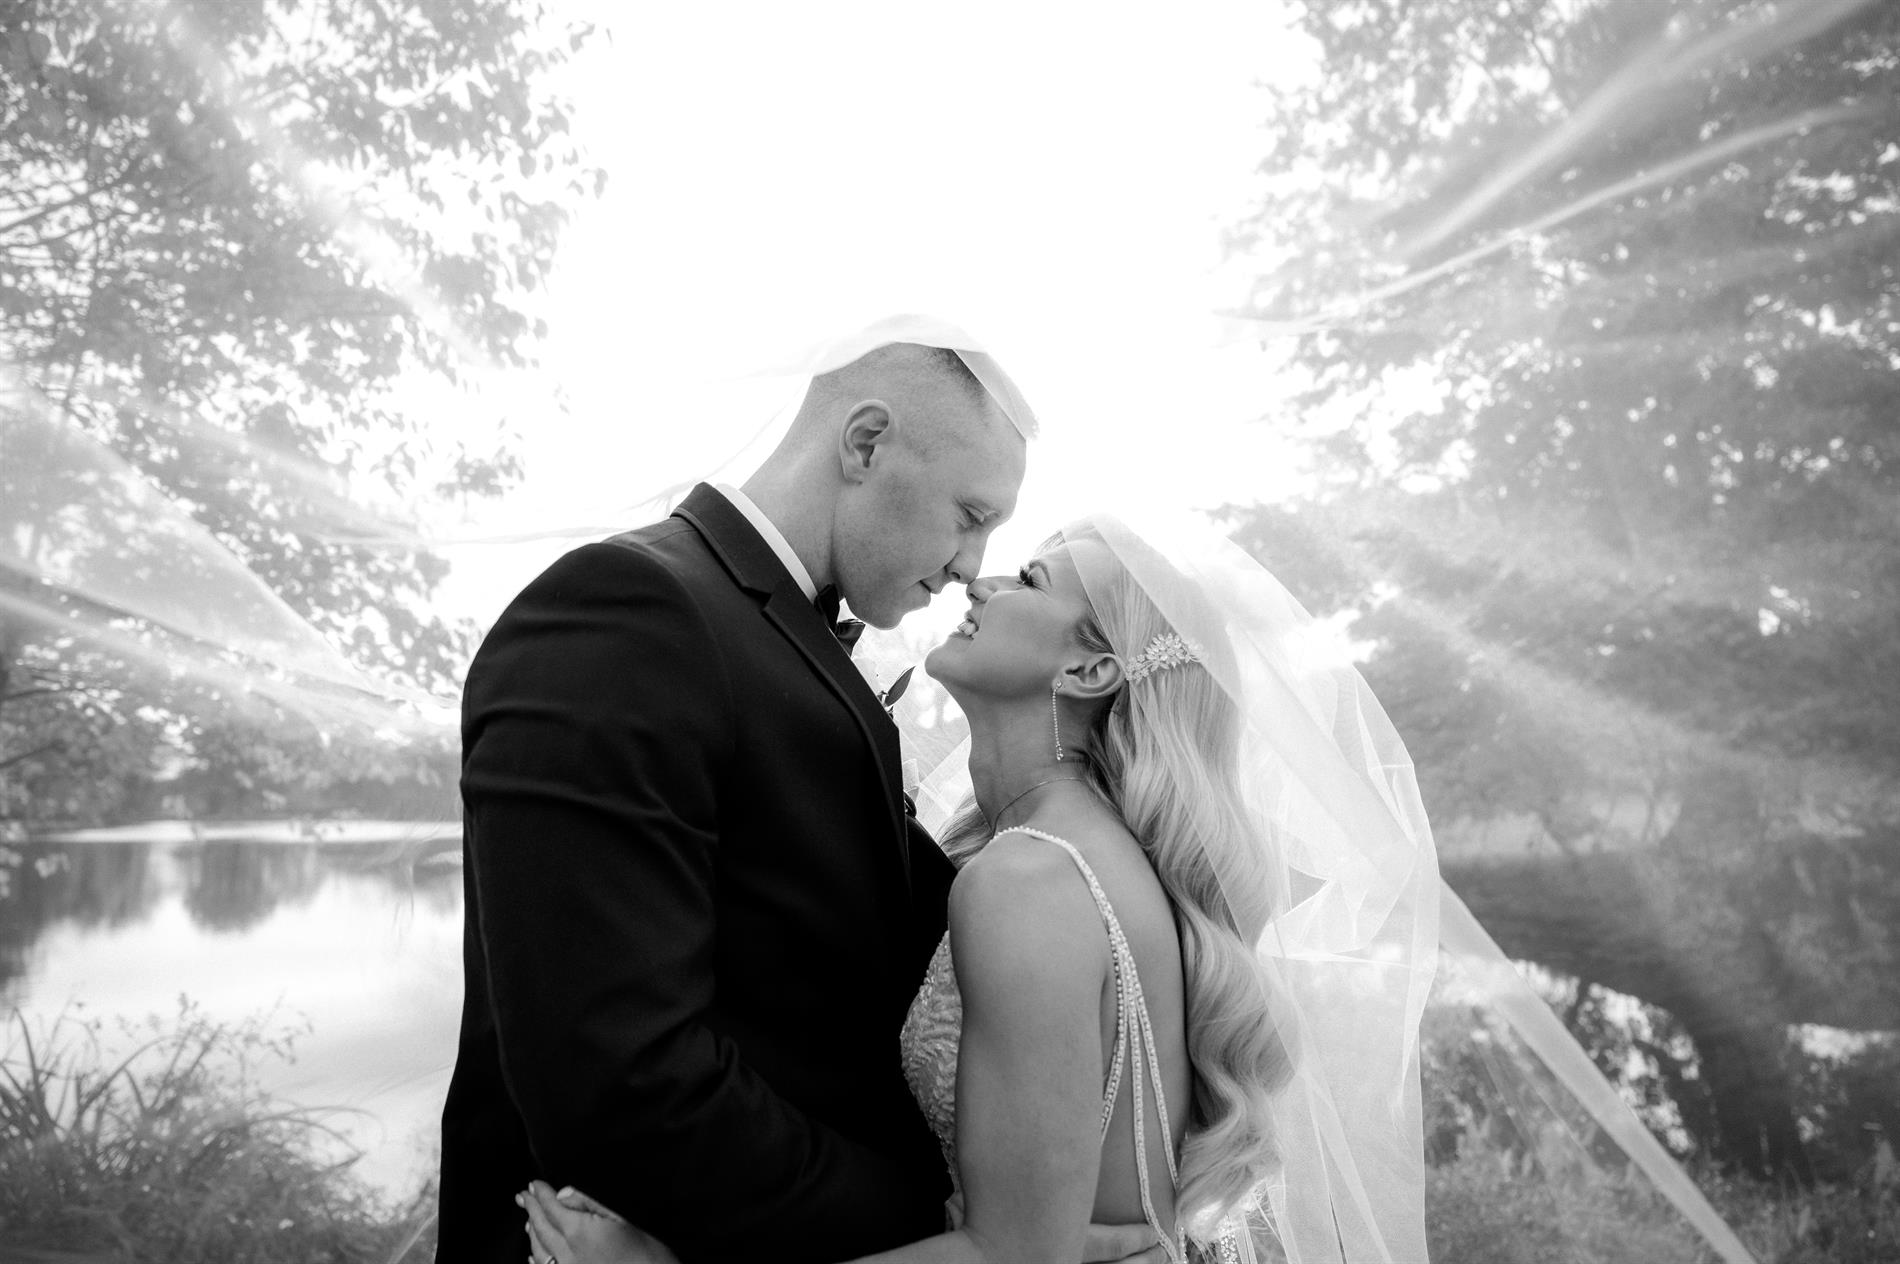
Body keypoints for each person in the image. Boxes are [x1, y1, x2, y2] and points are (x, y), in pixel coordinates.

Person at [518, 513, 1443, 1264]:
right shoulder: (1082, 856)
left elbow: (1011, 1258)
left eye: (1030, 579)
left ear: (1090, 669)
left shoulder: (1032, 880)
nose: (981, 582)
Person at [437, 321, 1168, 1262]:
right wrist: (977, 1234)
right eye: (970, 514)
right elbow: (619, 1079)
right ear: (865, 443)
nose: (969, 567)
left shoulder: (773, 637)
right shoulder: (626, 612)